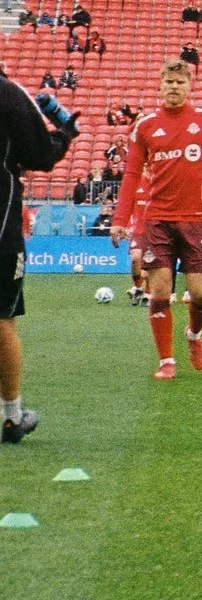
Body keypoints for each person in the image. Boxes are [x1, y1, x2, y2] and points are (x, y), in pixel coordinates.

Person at [111, 61, 202, 381]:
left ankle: (193, 335)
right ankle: (166, 359)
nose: (174, 87)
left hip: (194, 220)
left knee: (201, 295)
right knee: (159, 292)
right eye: (169, 82)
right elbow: (132, 174)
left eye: (180, 82)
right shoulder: (146, 126)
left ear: (190, 86)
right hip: (157, 220)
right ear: (160, 86)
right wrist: (119, 219)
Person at [0, 73, 79, 442]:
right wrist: (64, 133)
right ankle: (12, 416)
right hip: (1, 227)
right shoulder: (9, 94)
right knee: (2, 318)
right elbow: (41, 155)